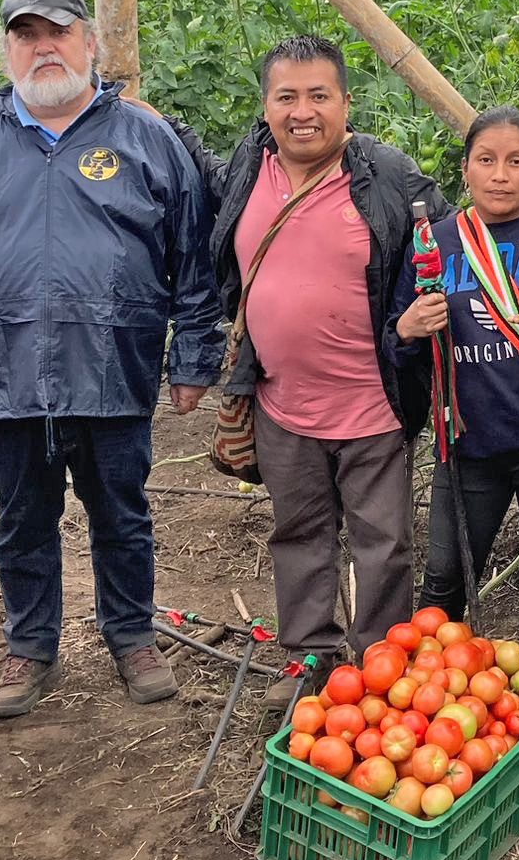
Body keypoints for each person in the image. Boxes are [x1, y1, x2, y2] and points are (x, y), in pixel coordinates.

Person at [0, 0, 223, 719]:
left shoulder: (144, 138)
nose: (44, 47)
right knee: (20, 518)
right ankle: (31, 646)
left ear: (90, 44)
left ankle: (132, 635)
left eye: (59, 32)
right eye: (26, 34)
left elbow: (192, 253)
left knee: (122, 513)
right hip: (5, 370)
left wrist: (195, 356)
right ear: (6, 49)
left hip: (114, 365)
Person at [163, 34, 449, 706]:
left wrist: (408, 320)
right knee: (298, 535)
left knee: (382, 546)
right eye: (286, 96)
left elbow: (448, 245)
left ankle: (381, 671)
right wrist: (148, 117)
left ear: (346, 103)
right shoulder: (248, 163)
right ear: (264, 108)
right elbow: (204, 184)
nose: (303, 111)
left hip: (372, 405)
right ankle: (312, 663)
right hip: (281, 401)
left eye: (319, 95)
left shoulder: (388, 174)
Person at [387, 106, 519, 669]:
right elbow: (395, 330)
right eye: (487, 160)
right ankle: (435, 683)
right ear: (465, 170)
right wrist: (407, 329)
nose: (500, 174)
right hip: (467, 441)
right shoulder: (433, 243)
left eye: (516, 162)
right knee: (444, 578)